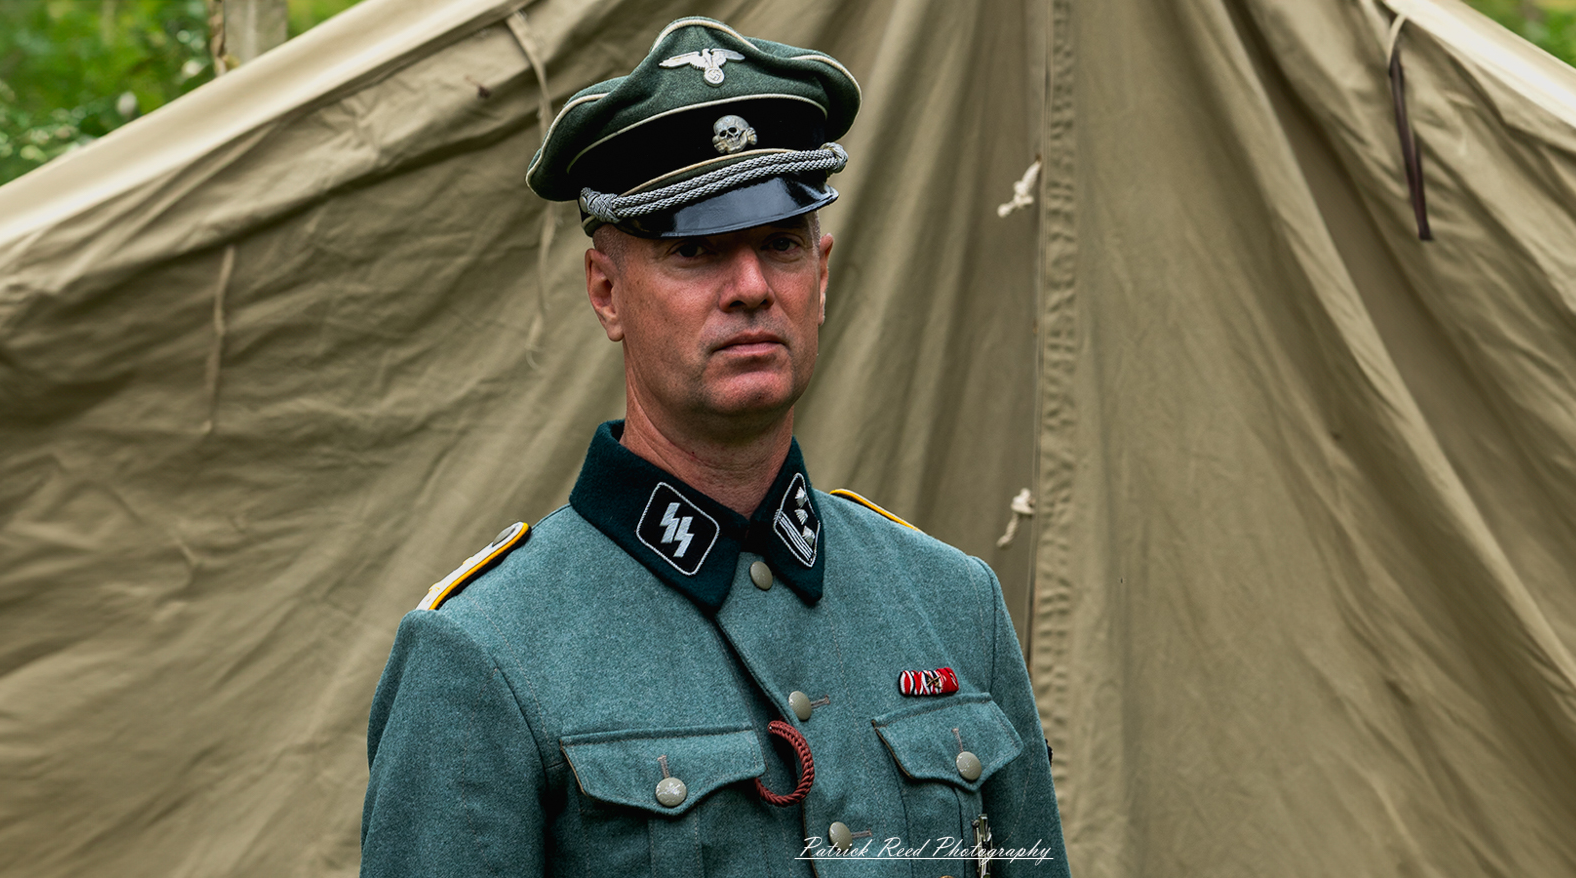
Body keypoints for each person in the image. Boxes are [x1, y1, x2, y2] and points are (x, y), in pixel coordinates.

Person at [360, 17, 1070, 878]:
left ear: (823, 274)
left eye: (781, 244)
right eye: (693, 251)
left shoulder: (953, 603)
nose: (750, 288)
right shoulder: (484, 653)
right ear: (606, 291)